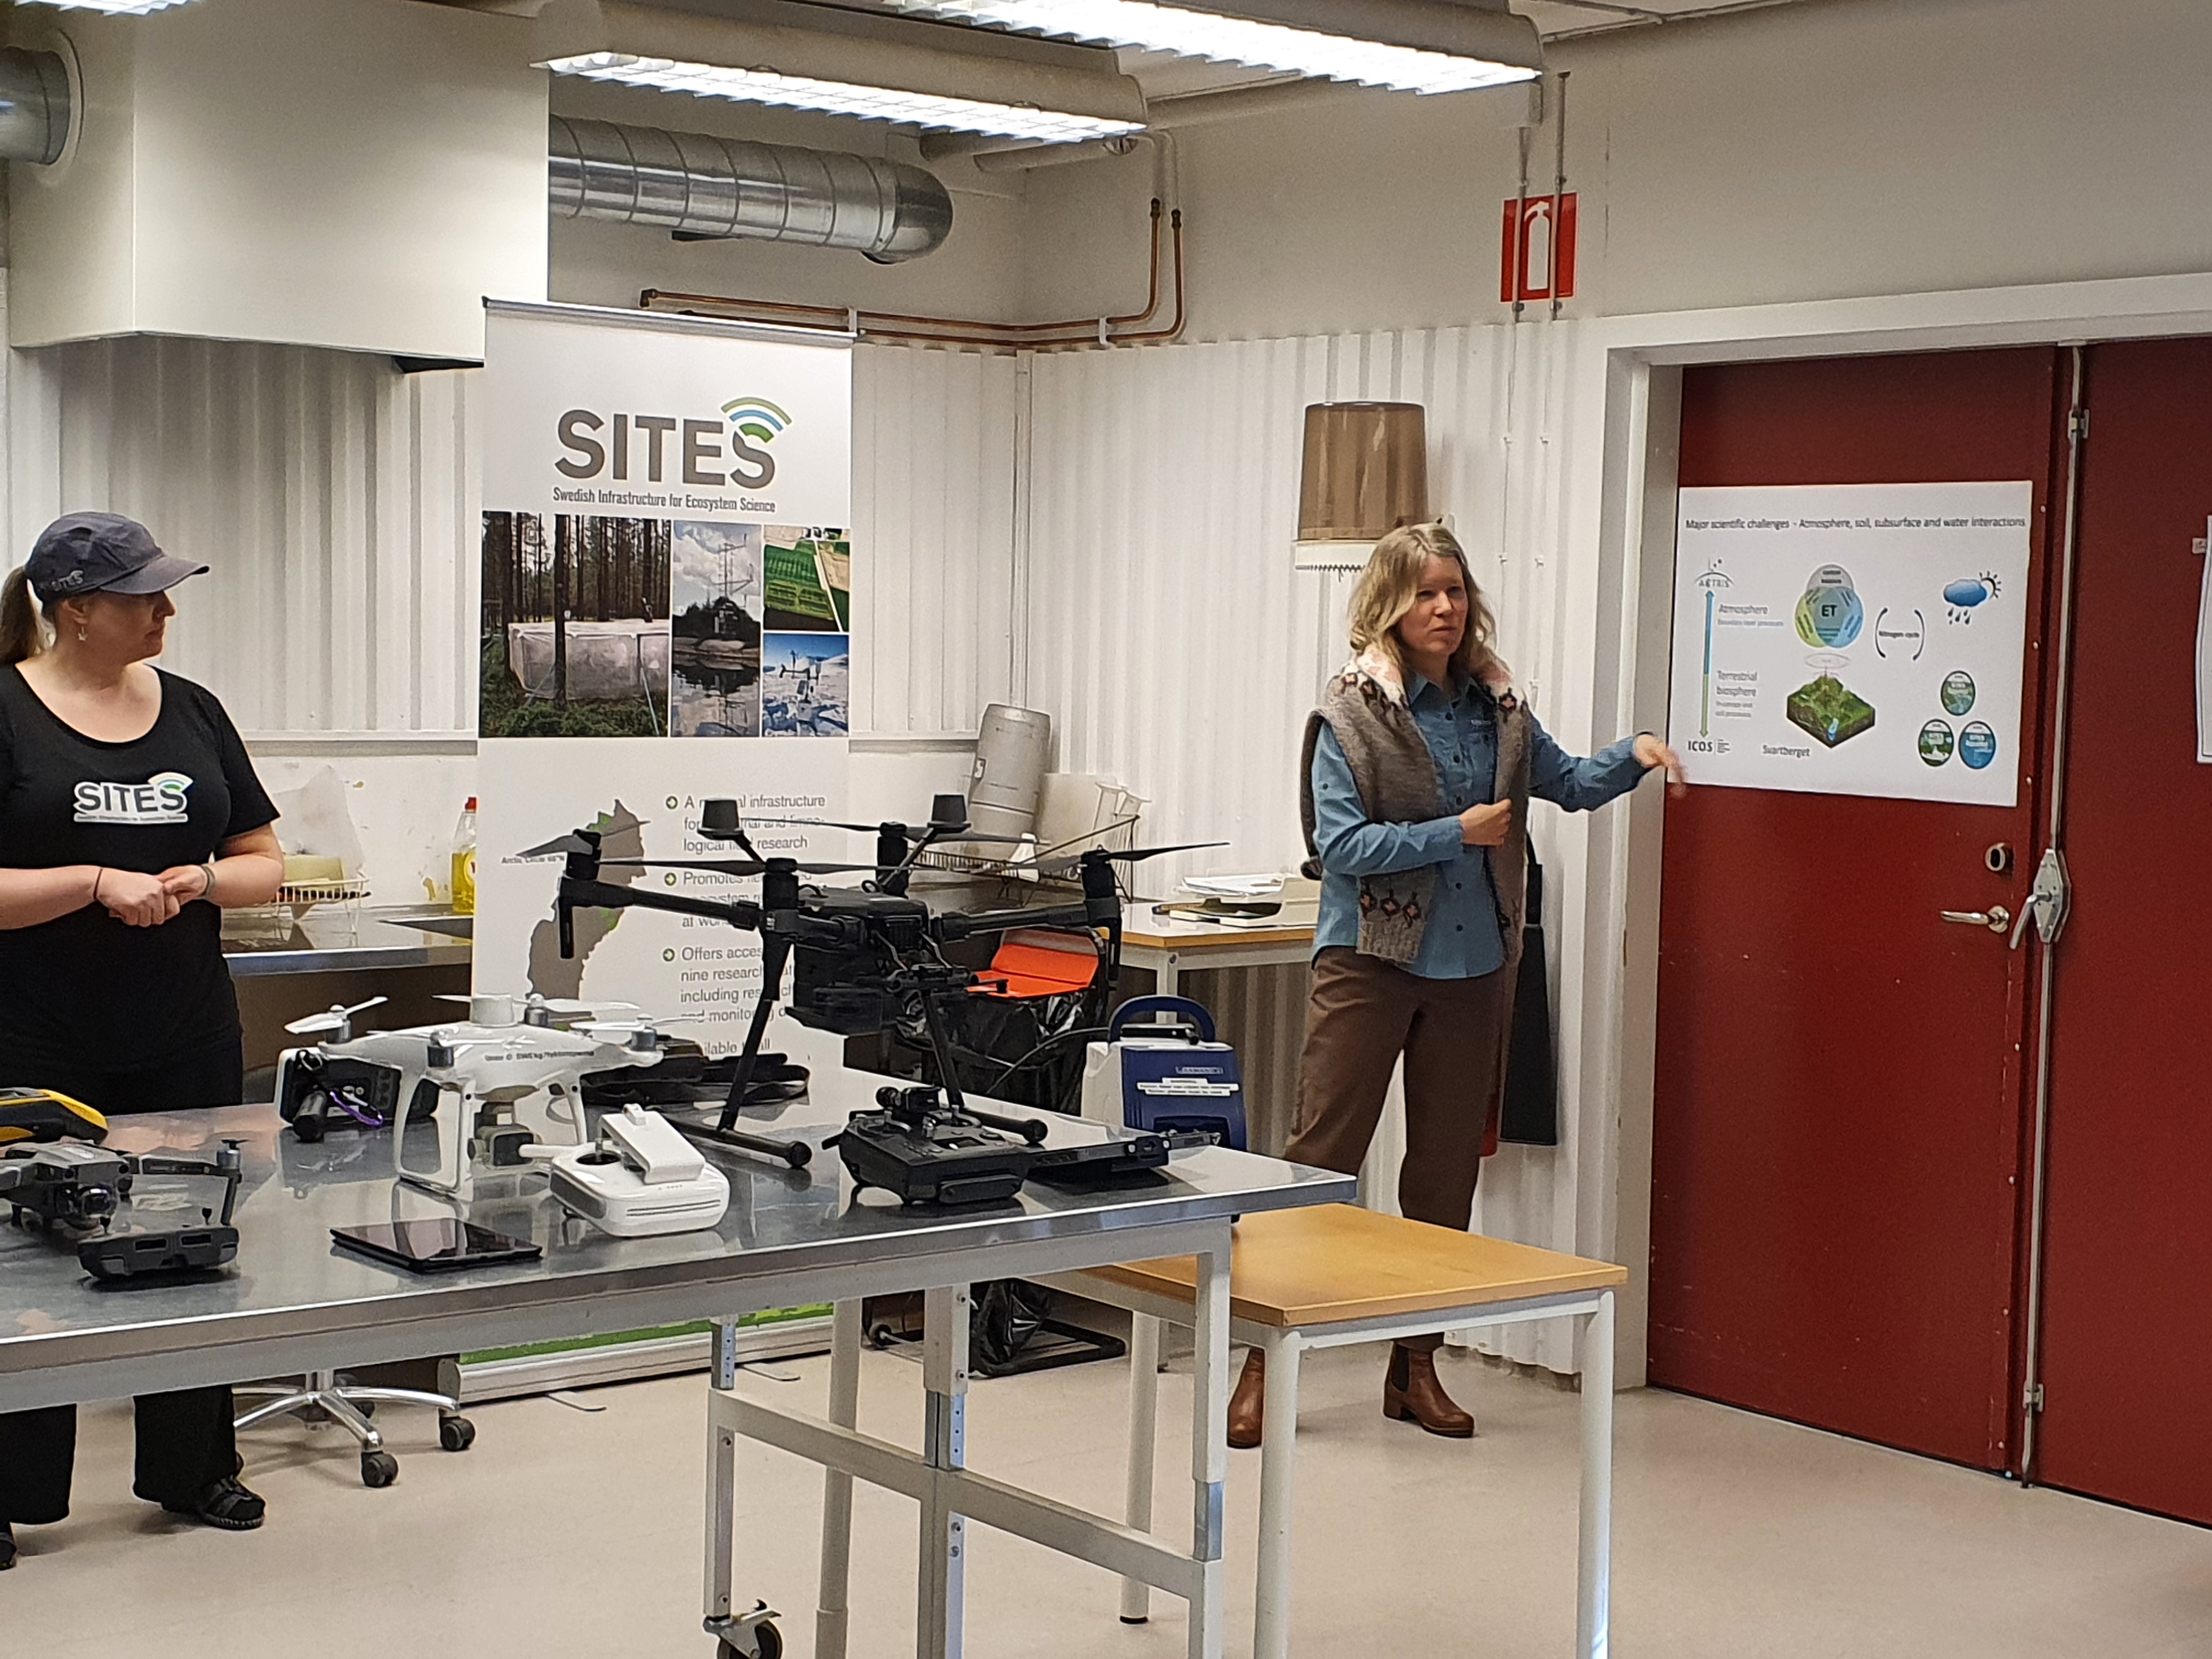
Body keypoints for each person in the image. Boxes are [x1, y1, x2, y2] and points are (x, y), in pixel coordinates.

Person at [1228, 522, 1685, 1449]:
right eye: (1426, 593)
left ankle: (1415, 1366)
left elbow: (1565, 783)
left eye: (1457, 592)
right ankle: (1263, 1364)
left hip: (1476, 969)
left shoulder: (1498, 710)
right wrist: (1455, 834)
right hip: (1369, 964)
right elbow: (1340, 849)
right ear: (1390, 606)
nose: (1445, 608)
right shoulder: (1351, 714)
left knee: (1442, 1182)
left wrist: (1633, 754)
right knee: (1316, 1168)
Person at [0, 512, 285, 1568]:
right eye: (143, 595)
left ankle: (194, 1466)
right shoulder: (6, 713)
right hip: (32, 1042)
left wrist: (204, 878)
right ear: (77, 610)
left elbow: (263, 863)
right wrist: (88, 882)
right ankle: (13, 1487)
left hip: (181, 1034)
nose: (167, 610)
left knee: (188, 1244)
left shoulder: (195, 713)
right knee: (24, 1265)